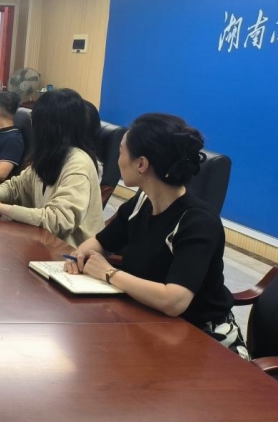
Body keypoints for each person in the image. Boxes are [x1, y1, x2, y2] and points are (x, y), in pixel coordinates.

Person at [64, 114, 249, 358]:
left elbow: (174, 301)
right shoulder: (142, 202)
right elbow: (101, 242)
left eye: (120, 152)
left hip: (205, 340)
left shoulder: (197, 222)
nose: (117, 160)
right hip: (151, 323)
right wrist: (80, 255)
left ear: (141, 164)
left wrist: (109, 273)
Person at [0, 89, 103, 247]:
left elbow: (57, 220)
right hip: (43, 243)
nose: (32, 125)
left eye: (34, 119)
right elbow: (16, 186)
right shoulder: (50, 155)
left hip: (71, 253)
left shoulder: (78, 164)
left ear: (49, 126)